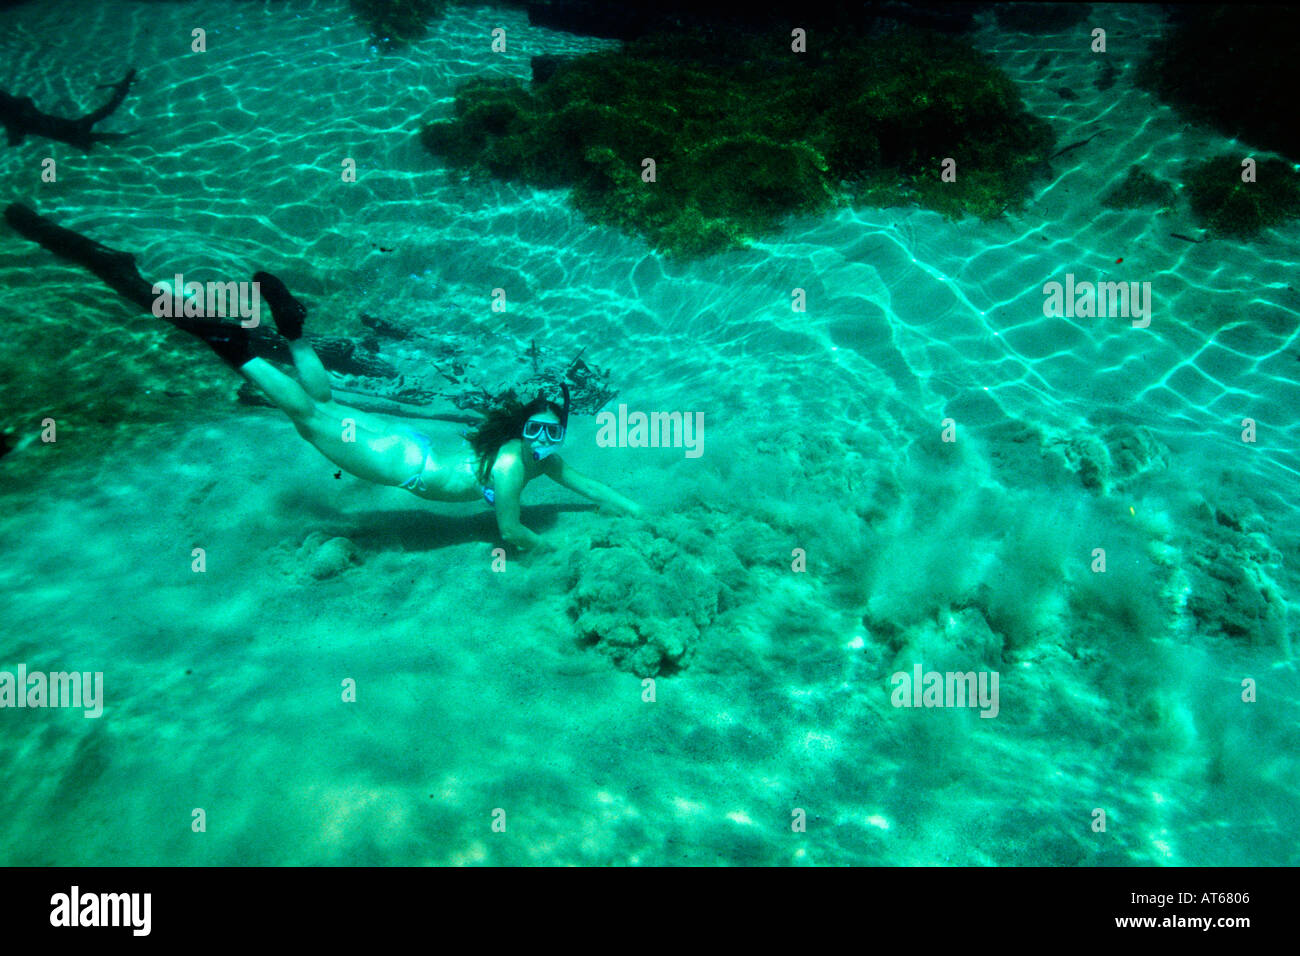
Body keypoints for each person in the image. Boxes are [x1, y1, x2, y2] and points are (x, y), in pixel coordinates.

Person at [187, 271, 641, 552]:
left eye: (552, 434)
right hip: (400, 461)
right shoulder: (507, 467)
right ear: (522, 431)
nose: (543, 443)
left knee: (323, 405)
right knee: (308, 418)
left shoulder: (544, 459)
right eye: (536, 432)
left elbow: (590, 485)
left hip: (409, 447)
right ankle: (232, 346)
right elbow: (512, 531)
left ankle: (292, 329)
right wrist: (553, 555)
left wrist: (636, 511)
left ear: (560, 435)